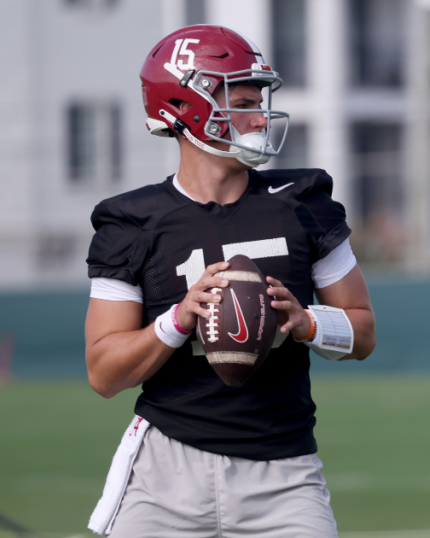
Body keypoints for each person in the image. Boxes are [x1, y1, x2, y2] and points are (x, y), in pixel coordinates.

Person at [83, 25, 375, 537]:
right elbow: (105, 374)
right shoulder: (131, 221)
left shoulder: (304, 203)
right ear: (186, 105)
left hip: (284, 473)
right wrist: (177, 321)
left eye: (259, 100)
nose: (260, 116)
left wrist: (305, 323)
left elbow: (363, 333)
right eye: (241, 102)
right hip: (165, 470)